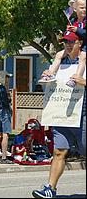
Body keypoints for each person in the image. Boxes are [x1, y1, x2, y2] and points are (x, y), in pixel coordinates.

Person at [32, 32, 86, 198]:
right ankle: (50, 188)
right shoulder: (61, 60)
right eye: (66, 43)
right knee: (59, 152)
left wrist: (82, 81)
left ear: (80, 43)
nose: (68, 45)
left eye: (72, 42)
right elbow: (51, 79)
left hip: (83, 115)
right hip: (62, 115)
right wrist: (47, 76)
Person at [38, 0, 86, 88]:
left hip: (85, 46)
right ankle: (50, 74)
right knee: (59, 54)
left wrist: (77, 30)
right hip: (78, 44)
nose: (84, 9)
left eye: (86, 7)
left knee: (83, 56)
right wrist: (68, 32)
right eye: (82, 7)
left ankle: (77, 77)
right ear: (75, 9)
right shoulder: (72, 20)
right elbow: (68, 34)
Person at [0, 70, 13, 164]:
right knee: (5, 133)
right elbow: (6, 100)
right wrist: (8, 98)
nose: (8, 79)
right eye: (7, 77)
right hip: (5, 111)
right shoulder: (2, 88)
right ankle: (4, 157)